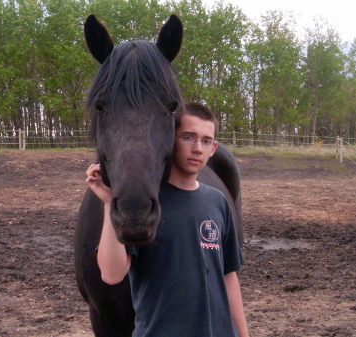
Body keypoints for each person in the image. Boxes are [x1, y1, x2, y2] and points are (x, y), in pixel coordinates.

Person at [86, 102, 249, 336]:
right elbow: (112, 274)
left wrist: (243, 334)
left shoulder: (218, 202)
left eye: (205, 141)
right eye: (188, 137)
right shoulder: (145, 205)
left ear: (214, 148)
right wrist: (110, 203)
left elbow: (228, 275)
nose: (197, 149)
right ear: (168, 140)